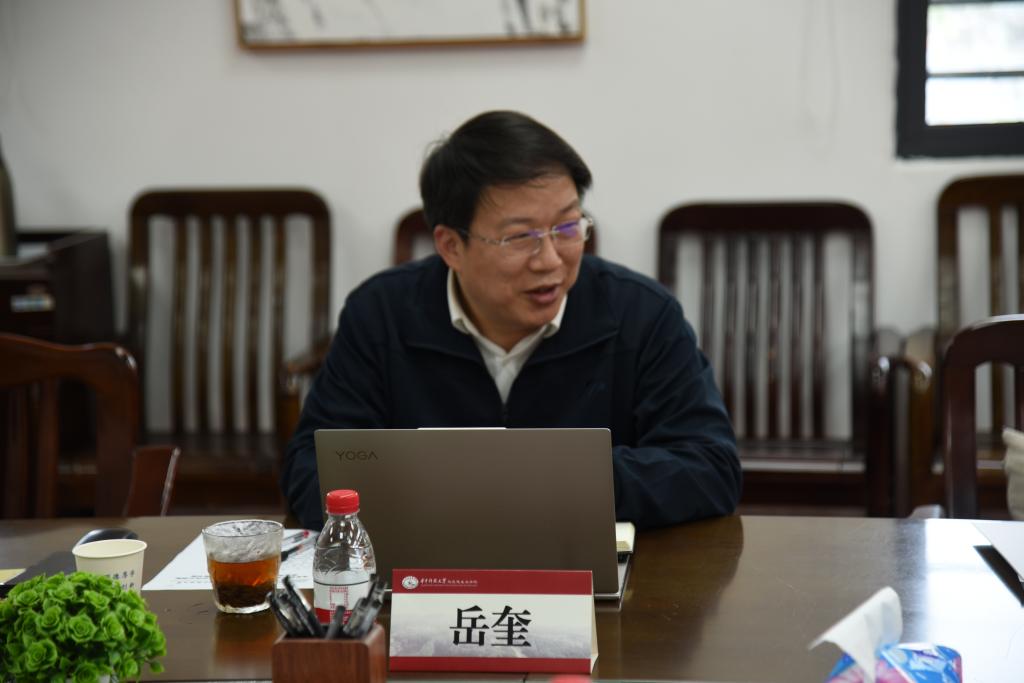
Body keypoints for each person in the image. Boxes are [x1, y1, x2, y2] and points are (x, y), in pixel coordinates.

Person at [282, 110, 741, 530]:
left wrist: (543, 483)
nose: (550, 260)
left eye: (567, 227)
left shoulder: (642, 314)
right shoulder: (380, 314)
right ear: (451, 246)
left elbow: (710, 467)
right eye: (520, 237)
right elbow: (311, 468)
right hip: (428, 570)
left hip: (593, 567)